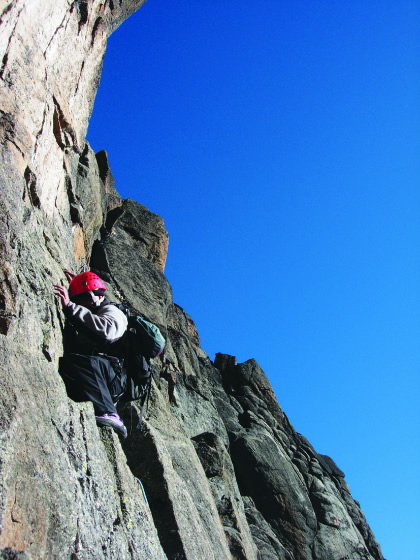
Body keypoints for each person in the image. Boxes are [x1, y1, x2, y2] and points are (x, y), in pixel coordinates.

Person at [54, 269, 129, 438]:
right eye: (78, 298)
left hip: (113, 377)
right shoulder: (96, 309)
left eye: (83, 298)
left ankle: (109, 412)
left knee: (85, 362)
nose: (80, 302)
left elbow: (107, 331)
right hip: (105, 374)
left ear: (99, 296)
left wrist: (71, 307)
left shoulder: (113, 312)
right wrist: (77, 286)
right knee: (71, 363)